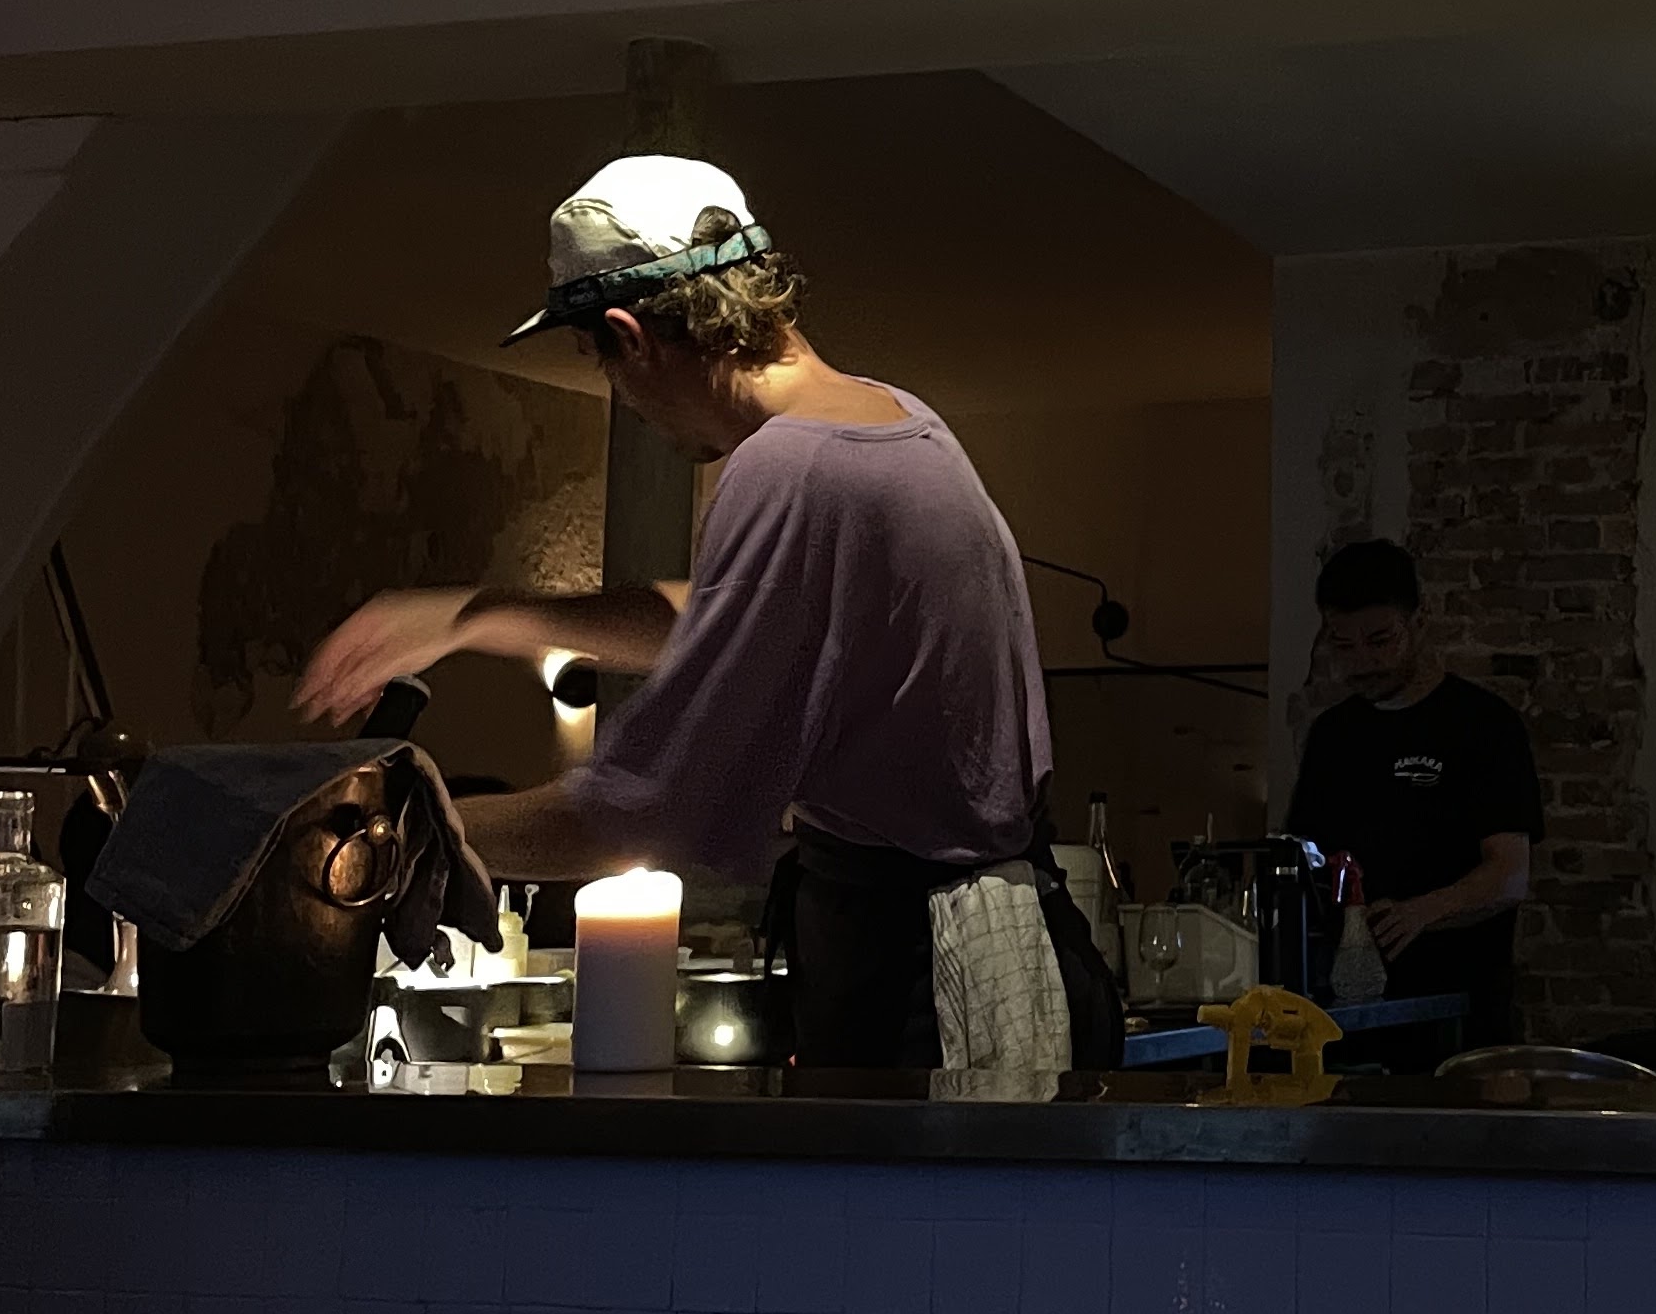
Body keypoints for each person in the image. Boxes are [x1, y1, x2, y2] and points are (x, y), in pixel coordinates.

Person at [297, 153, 1108, 1082]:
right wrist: (484, 615)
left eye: (599, 363)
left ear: (628, 337)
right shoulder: (893, 424)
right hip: (988, 944)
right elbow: (736, 620)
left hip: (924, 983)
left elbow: (652, 805)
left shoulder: (790, 469)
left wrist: (389, 838)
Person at [1286, 538, 1543, 1046]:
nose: (1361, 662)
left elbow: (1509, 875)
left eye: (1380, 640)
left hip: (1457, 1022)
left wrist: (1421, 912)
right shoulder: (1332, 735)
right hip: (1346, 1024)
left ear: (1419, 622)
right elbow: (1306, 862)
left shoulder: (1484, 726)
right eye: (1343, 645)